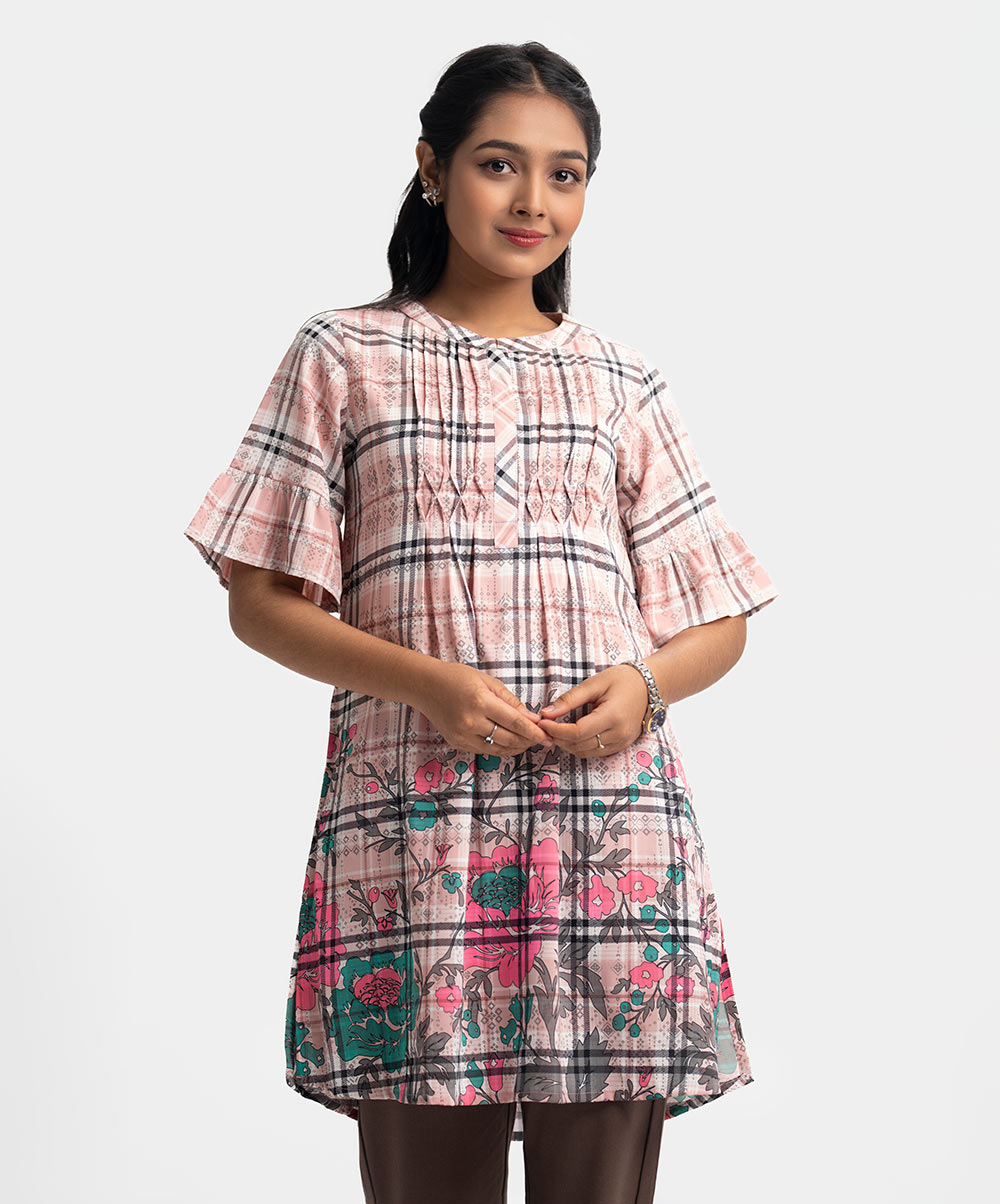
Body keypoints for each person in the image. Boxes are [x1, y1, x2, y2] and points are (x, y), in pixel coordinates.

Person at [183, 40, 779, 1204]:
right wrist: (431, 686)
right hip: (412, 836)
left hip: (609, 840)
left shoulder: (620, 378)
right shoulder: (343, 355)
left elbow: (717, 620)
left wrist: (644, 687)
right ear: (432, 166)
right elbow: (259, 603)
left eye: (566, 173)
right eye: (500, 164)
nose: (532, 200)